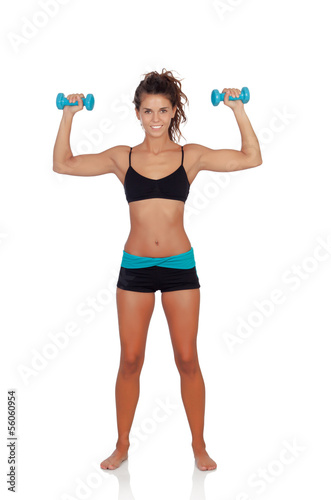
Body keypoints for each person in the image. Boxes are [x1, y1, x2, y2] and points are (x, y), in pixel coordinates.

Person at [53, 69, 262, 471]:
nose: (154, 118)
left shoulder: (190, 156)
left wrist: (237, 108)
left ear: (173, 112)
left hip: (180, 265)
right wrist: (69, 115)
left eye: (162, 110)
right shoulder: (122, 157)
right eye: (147, 110)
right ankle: (122, 445)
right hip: (135, 268)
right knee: (130, 360)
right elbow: (63, 164)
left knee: (187, 359)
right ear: (136, 112)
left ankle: (199, 445)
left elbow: (252, 157)